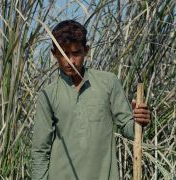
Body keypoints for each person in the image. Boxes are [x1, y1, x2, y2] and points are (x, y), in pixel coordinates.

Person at [31, 20, 151, 180]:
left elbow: (129, 130)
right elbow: (40, 150)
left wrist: (140, 120)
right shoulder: (48, 95)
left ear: (86, 51)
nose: (71, 61)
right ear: (54, 54)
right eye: (64, 54)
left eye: (76, 53)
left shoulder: (108, 82)